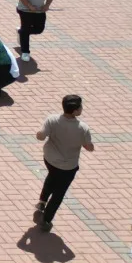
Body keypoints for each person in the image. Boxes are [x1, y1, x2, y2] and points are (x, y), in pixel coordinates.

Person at [33, 94, 92, 233]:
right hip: (68, 166)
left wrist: (40, 134)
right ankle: (46, 219)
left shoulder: (52, 119)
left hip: (50, 159)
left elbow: (41, 135)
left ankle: (42, 201)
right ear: (75, 111)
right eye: (80, 107)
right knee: (59, 193)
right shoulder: (82, 128)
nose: (82, 108)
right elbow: (89, 147)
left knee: (52, 176)